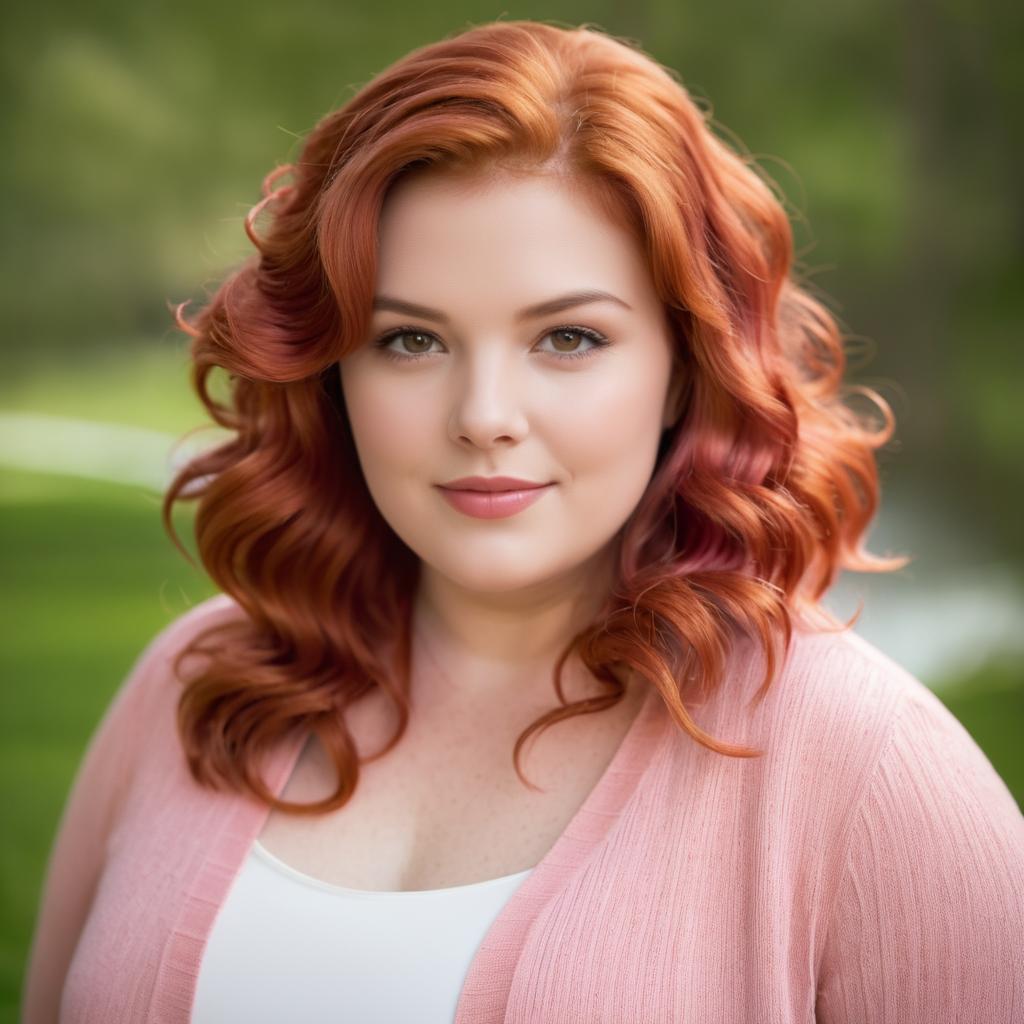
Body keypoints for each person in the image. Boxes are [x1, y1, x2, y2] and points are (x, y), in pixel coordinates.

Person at [22, 18, 1024, 1024]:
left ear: (684, 367)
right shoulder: (191, 688)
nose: (484, 416)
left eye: (568, 337)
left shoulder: (869, 765)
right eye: (411, 338)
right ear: (331, 370)